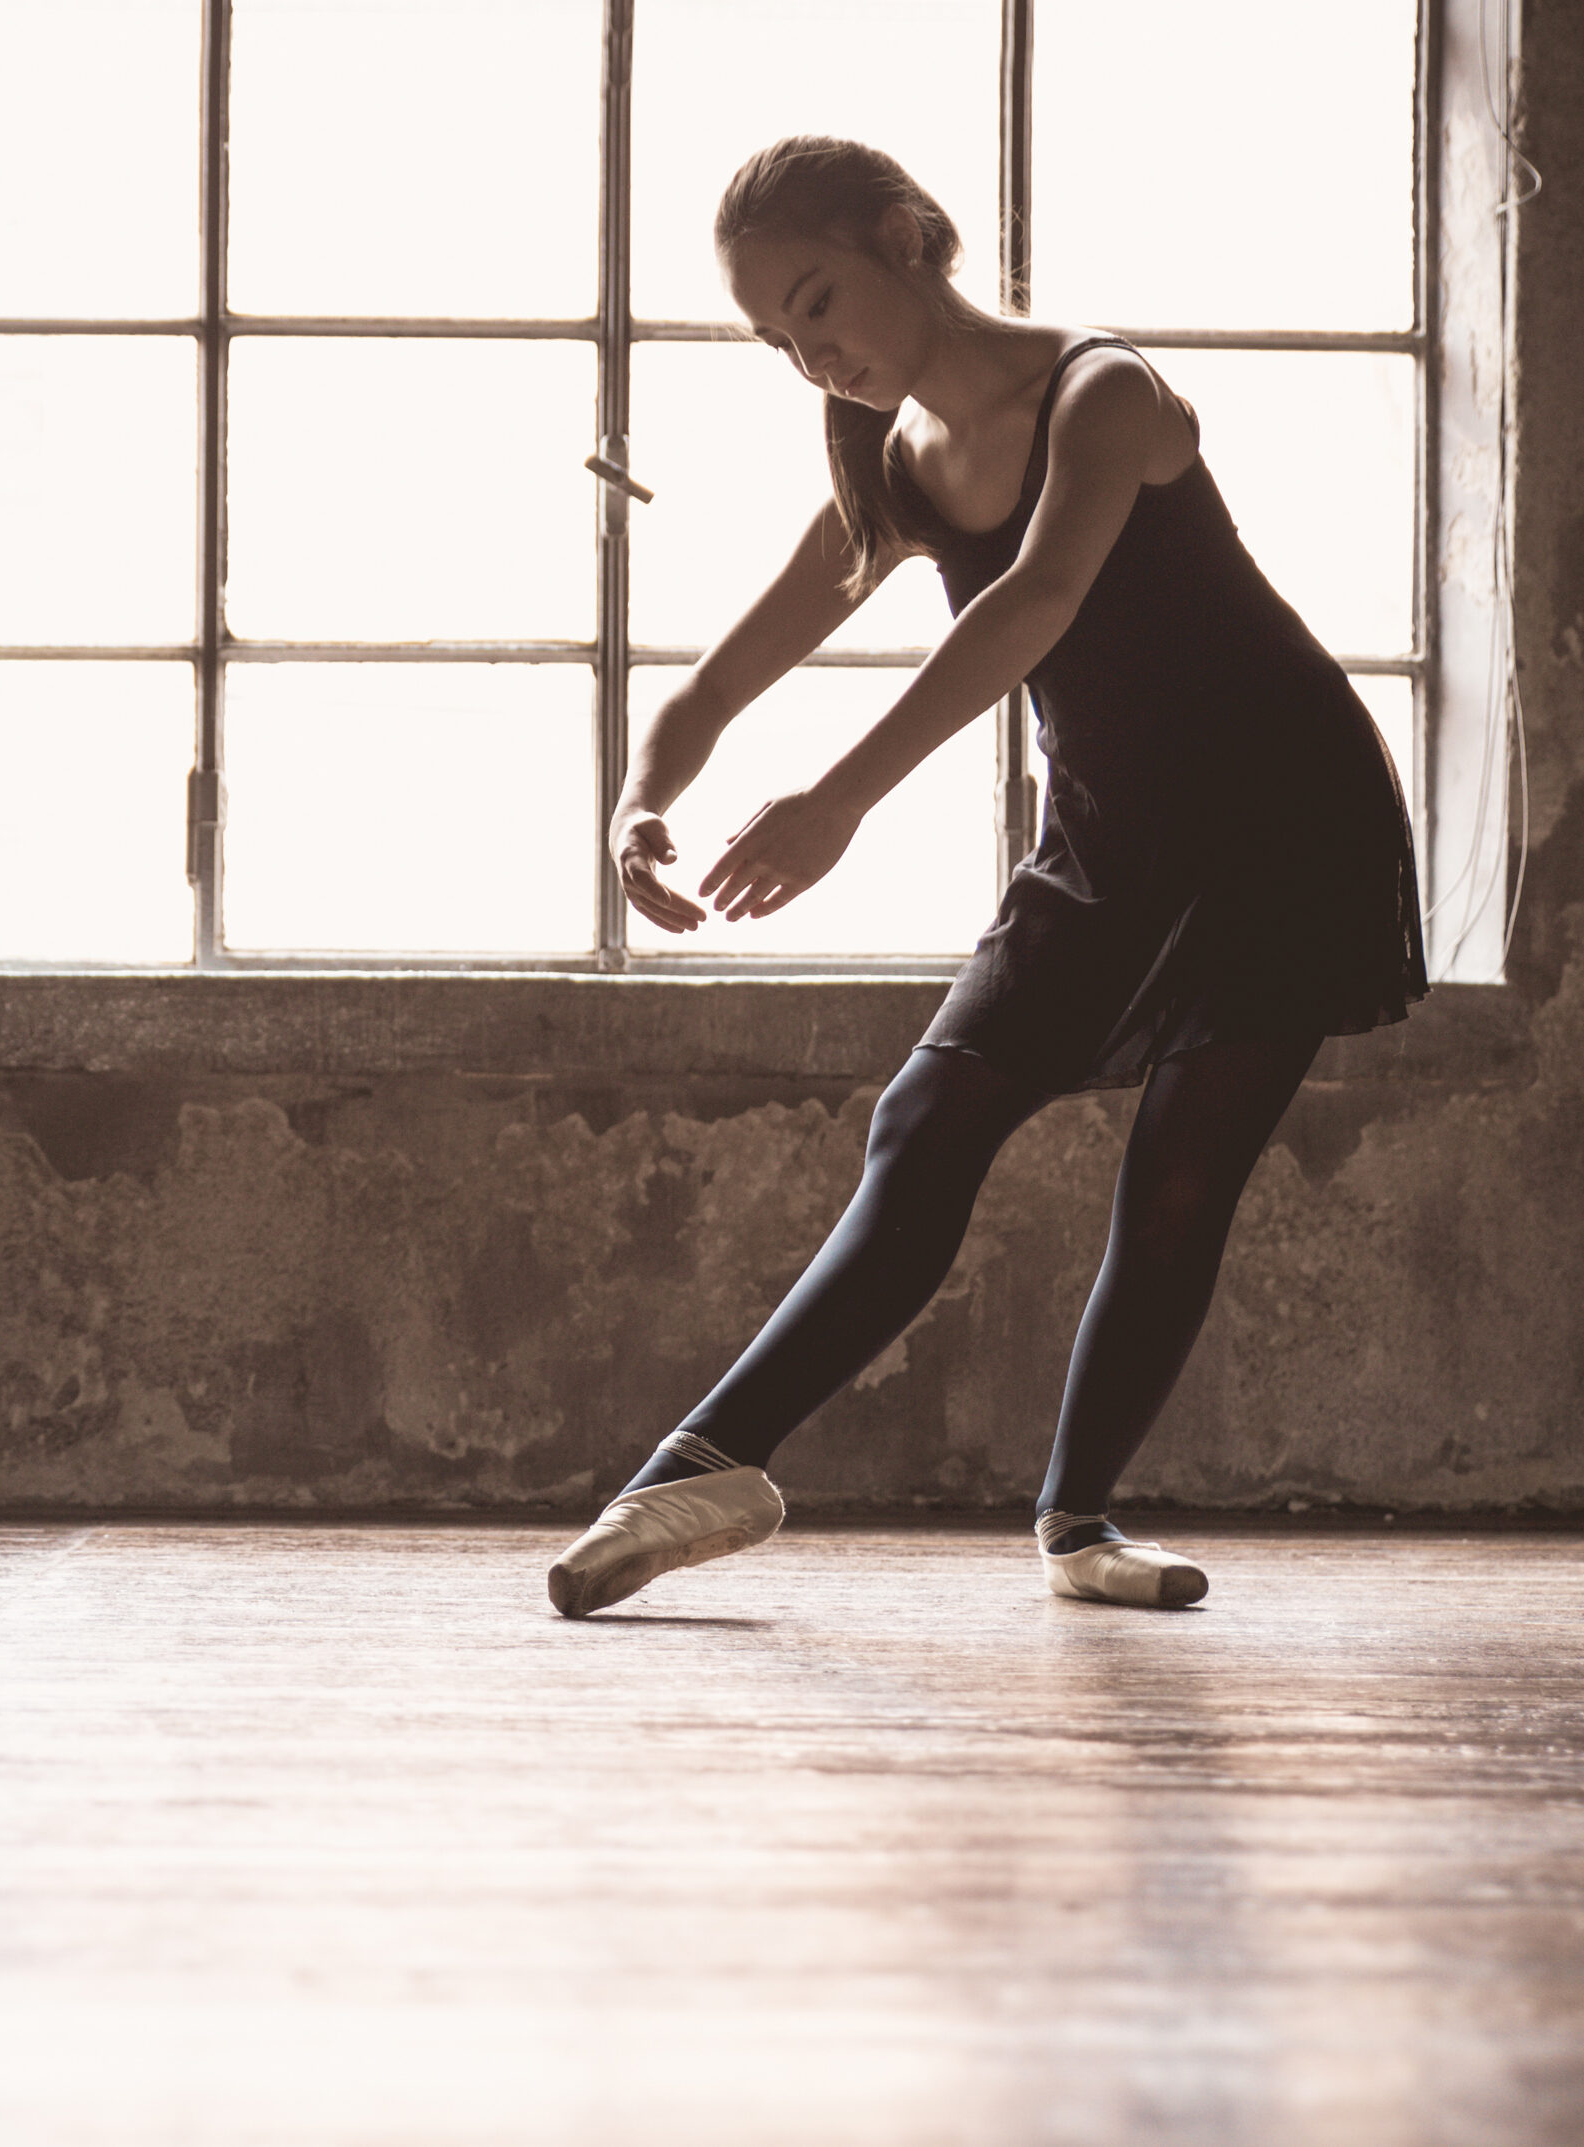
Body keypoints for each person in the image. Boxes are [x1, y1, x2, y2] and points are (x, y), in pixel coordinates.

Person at [548, 136, 1426, 1619]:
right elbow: (726, 673)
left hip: (1286, 815)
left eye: (817, 304)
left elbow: (1033, 603)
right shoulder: (894, 467)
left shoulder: (1106, 391)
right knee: (929, 1116)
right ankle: (703, 1470)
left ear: (909, 238)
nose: (809, 356)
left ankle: (1078, 1528)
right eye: (777, 339)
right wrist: (642, 797)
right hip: (1110, 836)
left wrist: (838, 801)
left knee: (1181, 1176)